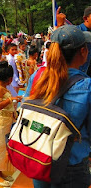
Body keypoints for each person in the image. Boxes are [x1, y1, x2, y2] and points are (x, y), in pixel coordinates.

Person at [25, 25, 91, 188]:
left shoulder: (38, 76)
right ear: (83, 51)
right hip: (72, 165)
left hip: (39, 156)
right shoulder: (87, 87)